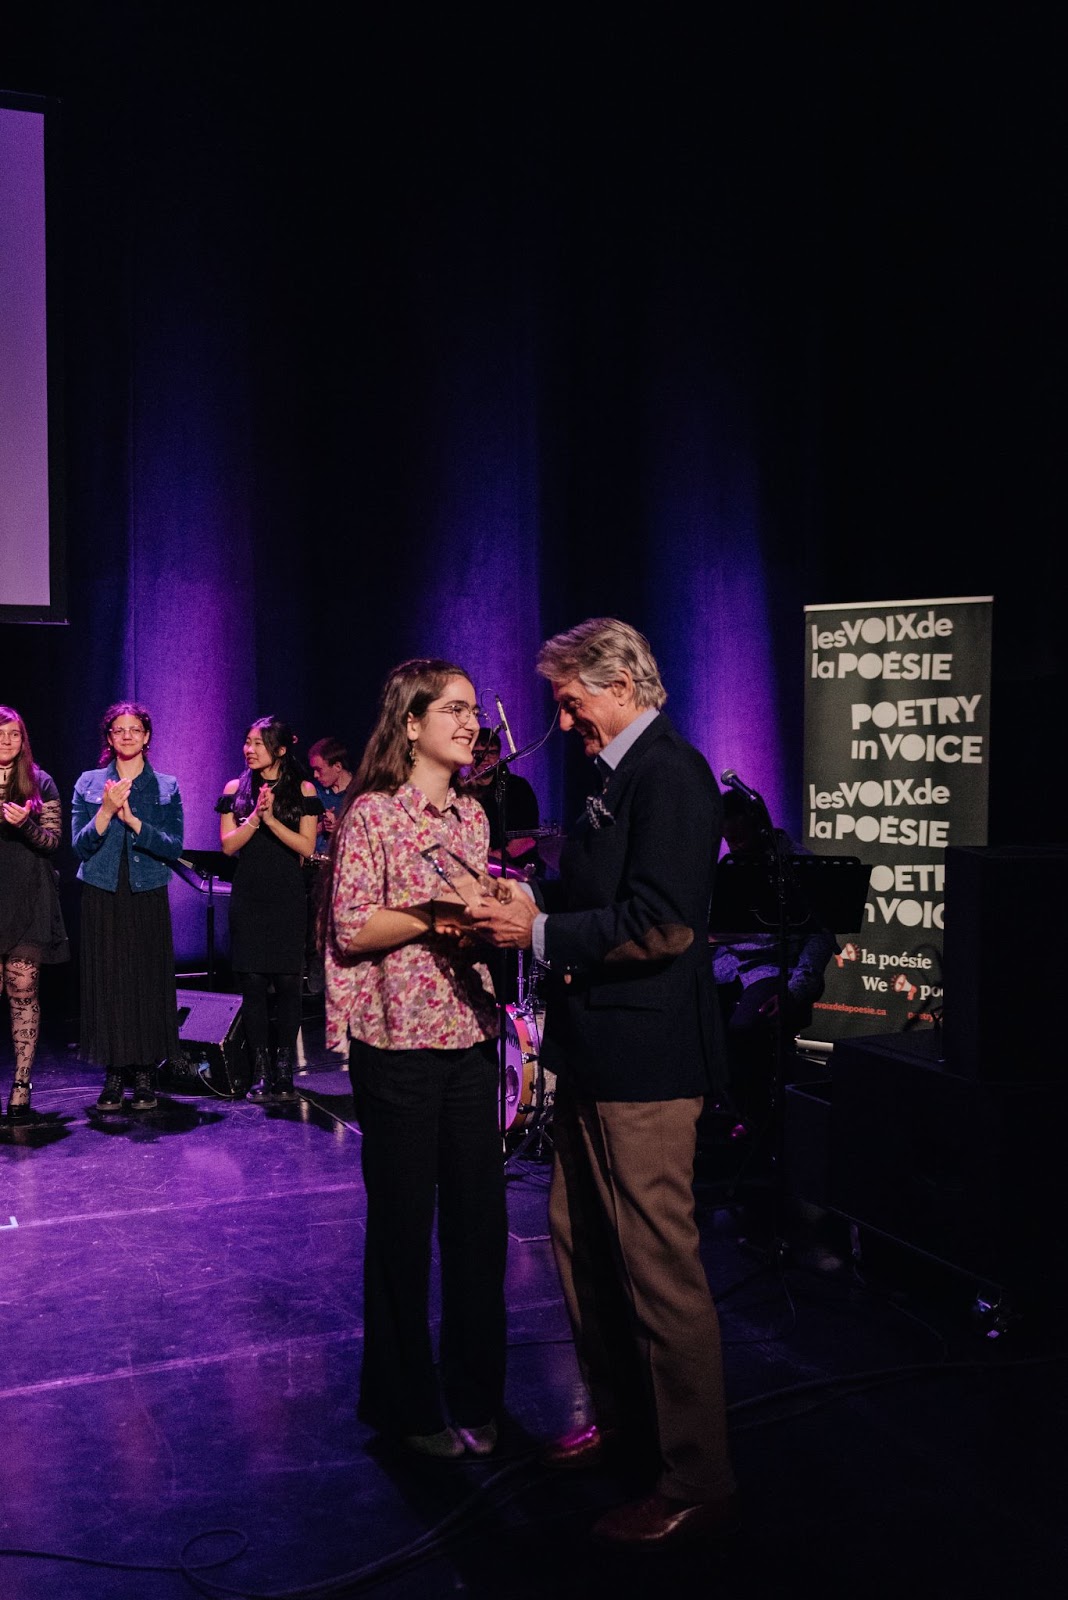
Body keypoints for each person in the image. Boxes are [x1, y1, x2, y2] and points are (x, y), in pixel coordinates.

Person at [470, 617, 736, 1548]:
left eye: (570, 697)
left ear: (616, 684)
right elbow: (599, 902)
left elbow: (663, 926)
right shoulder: (614, 777)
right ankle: (627, 1427)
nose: (563, 715)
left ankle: (696, 1476)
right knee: (580, 1242)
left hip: (649, 1065)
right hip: (595, 1056)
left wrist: (537, 935)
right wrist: (530, 903)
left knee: (659, 1266)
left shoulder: (673, 774)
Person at [322, 658, 508, 1460]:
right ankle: (405, 1406)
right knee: (403, 1230)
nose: (471, 723)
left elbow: (473, 919)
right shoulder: (370, 814)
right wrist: (433, 916)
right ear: (411, 723)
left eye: (474, 711)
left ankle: (475, 1393)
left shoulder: (472, 818)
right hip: (395, 1046)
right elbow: (351, 928)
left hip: (468, 1038)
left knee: (480, 1227)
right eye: (455, 709)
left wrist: (491, 918)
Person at [72, 702, 183, 1112]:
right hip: (102, 889)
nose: (127, 736)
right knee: (110, 980)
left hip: (148, 889)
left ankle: (145, 1072)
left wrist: (134, 821)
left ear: (147, 736)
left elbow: (174, 846)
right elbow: (79, 846)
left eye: (134, 729)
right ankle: (115, 1071)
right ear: (109, 738)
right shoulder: (88, 783)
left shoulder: (166, 785)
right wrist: (104, 811)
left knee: (147, 979)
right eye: (118, 730)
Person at [710, 789, 838, 1132]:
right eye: (728, 840)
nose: (734, 847)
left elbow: (821, 937)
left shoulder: (798, 864)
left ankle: (754, 1123)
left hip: (775, 968)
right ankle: (714, 1115)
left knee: (743, 1028)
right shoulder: (732, 866)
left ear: (760, 828)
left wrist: (796, 991)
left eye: (739, 838)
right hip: (728, 965)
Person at [217, 717, 321, 1103]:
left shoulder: (304, 788)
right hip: (249, 895)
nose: (249, 749)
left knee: (289, 984)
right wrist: (256, 819)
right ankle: (260, 1069)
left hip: (287, 896)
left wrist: (273, 819)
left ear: (279, 749)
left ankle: (284, 1070)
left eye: (258, 743)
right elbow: (229, 846)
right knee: (254, 985)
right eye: (246, 742)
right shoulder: (235, 788)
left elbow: (307, 847)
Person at [0, 707, 70, 1121]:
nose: (6, 742)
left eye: (13, 735)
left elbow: (53, 842)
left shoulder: (39, 781)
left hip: (29, 898)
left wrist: (26, 824)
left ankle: (22, 1084)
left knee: (23, 988)